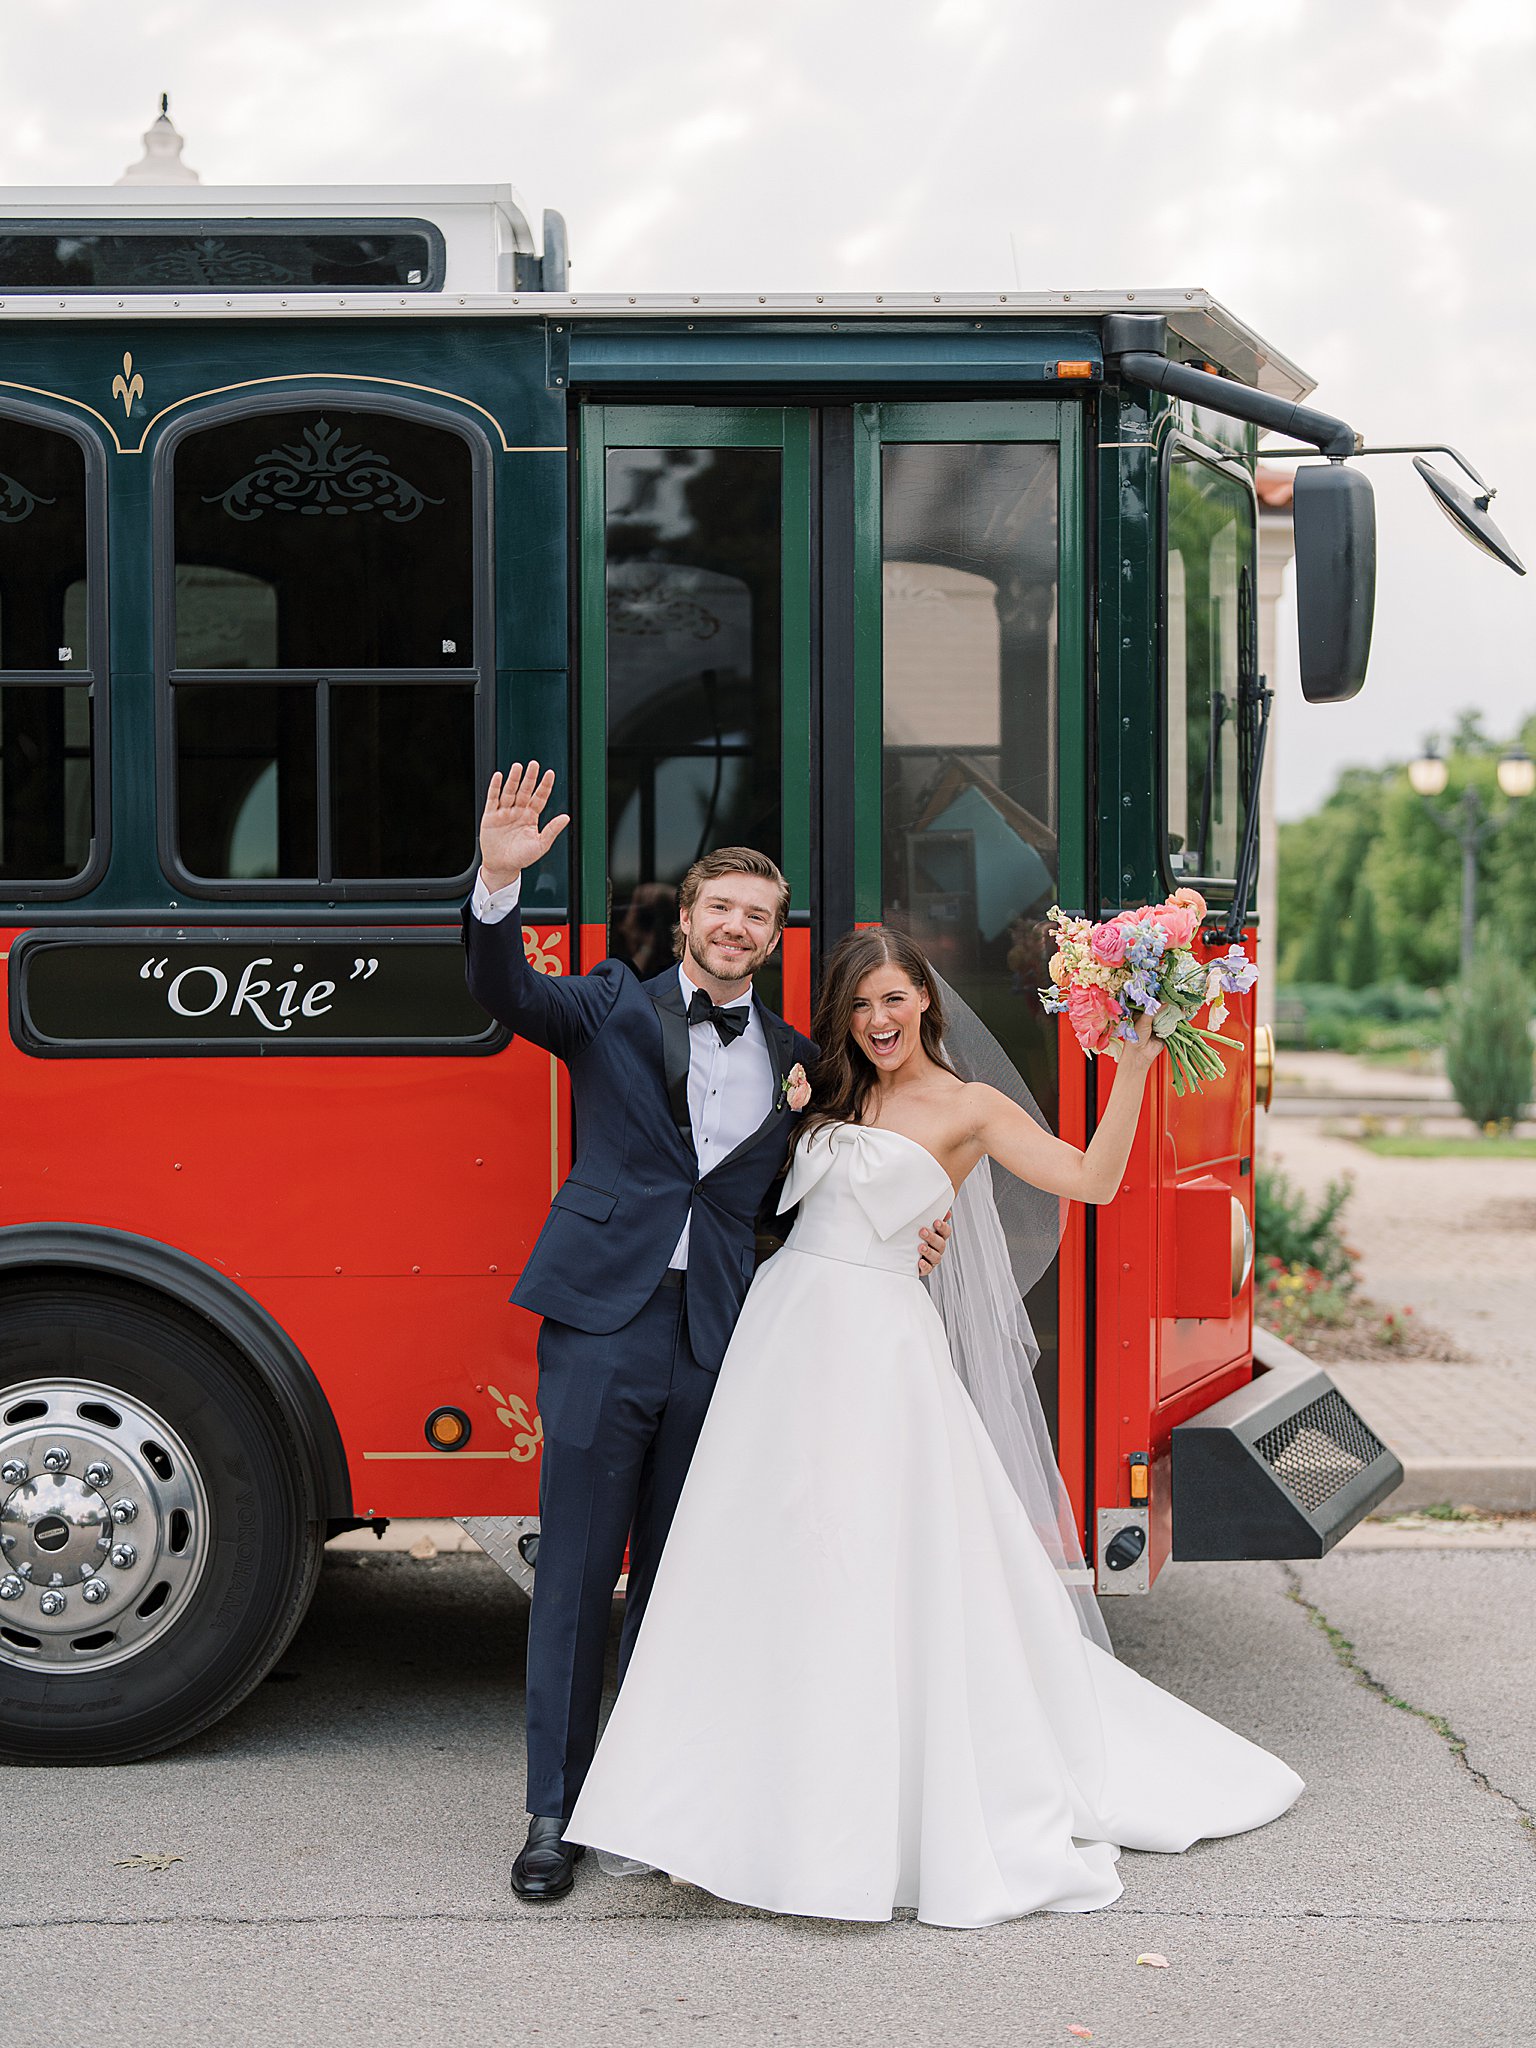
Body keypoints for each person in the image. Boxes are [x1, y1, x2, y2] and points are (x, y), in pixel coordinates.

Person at [564, 922, 1305, 1927]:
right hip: (781, 1339)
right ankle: (716, 1805)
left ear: (927, 1004)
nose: (878, 1019)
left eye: (895, 1000)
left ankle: (847, 1815)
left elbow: (1088, 1180)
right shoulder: (821, 1090)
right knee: (756, 1563)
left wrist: (1132, 1065)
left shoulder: (971, 1107)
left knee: (868, 1564)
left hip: (880, 1348)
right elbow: (757, 1201)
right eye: (861, 1004)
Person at [462, 765, 953, 1902]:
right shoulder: (602, 1006)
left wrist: (912, 1233)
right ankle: (553, 1812)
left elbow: (834, 1180)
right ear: (686, 920)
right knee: (580, 1573)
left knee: (686, 1583)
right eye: (719, 908)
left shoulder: (802, 1060)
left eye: (758, 917)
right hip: (601, 1323)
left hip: (726, 1339)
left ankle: (655, 1801)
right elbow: (499, 987)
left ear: (774, 940)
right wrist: (498, 878)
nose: (736, 927)